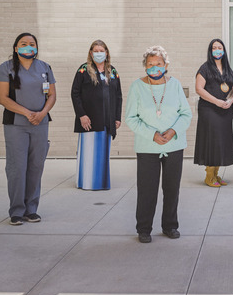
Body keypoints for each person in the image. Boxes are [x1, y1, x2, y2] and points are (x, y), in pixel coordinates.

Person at [125, 45, 192, 243]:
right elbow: (131, 118)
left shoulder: (175, 85)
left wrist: (173, 131)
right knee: (147, 189)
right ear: (145, 67)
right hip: (147, 147)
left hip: (173, 146)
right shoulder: (137, 87)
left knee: (172, 188)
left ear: (166, 65)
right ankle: (144, 228)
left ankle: (170, 226)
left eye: (158, 64)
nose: (155, 68)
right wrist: (152, 134)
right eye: (150, 65)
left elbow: (186, 114)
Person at [0, 32, 56, 225]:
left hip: (40, 124)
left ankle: (31, 209)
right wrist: (28, 113)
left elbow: (52, 95)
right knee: (17, 168)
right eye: (23, 44)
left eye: (32, 44)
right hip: (16, 125)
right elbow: (2, 98)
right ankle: (16, 210)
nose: (28, 47)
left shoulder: (44, 67)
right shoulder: (5, 68)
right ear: (16, 48)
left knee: (36, 167)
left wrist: (41, 113)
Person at [71, 40, 123, 190]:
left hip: (107, 119)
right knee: (89, 152)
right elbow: (75, 94)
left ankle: (101, 182)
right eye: (96, 50)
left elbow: (118, 96)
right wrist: (82, 115)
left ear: (106, 53)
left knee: (102, 153)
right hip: (90, 119)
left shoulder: (113, 71)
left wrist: (117, 117)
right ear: (91, 53)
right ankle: (87, 182)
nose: (99, 53)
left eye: (102, 50)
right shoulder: (83, 70)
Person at [193, 39, 233, 187]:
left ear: (224, 50)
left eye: (220, 47)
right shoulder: (204, 68)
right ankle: (209, 175)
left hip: (226, 110)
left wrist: (230, 101)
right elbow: (199, 89)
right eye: (214, 48)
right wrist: (217, 101)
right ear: (210, 51)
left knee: (221, 142)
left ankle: (216, 175)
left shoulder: (227, 69)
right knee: (212, 142)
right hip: (210, 110)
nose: (217, 50)